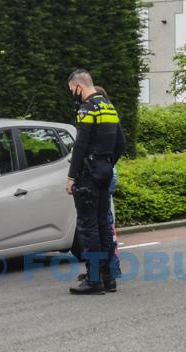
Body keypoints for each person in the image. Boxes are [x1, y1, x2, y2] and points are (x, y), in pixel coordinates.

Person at [66, 69, 126, 294]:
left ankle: (93, 280)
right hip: (105, 171)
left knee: (88, 227)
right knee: (103, 225)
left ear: (79, 86)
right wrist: (107, 163)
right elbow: (121, 143)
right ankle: (108, 278)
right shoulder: (109, 107)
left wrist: (72, 176)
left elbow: (80, 145)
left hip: (88, 175)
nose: (73, 94)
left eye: (72, 90)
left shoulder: (86, 109)